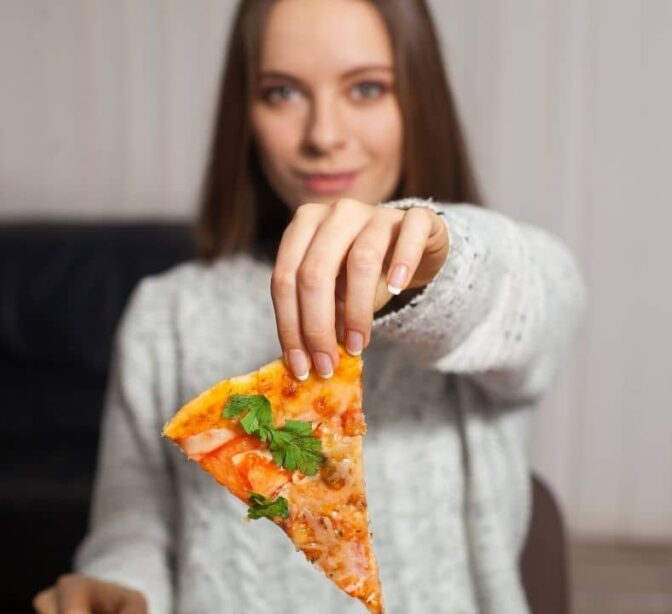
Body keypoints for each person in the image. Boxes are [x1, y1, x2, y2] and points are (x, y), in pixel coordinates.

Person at [33, 0, 586, 612]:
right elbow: (133, 524)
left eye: (367, 88)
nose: (324, 135)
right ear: (244, 112)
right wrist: (120, 585)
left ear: (420, 103)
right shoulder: (165, 314)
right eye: (282, 93)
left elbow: (544, 294)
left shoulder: (468, 292)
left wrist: (434, 252)